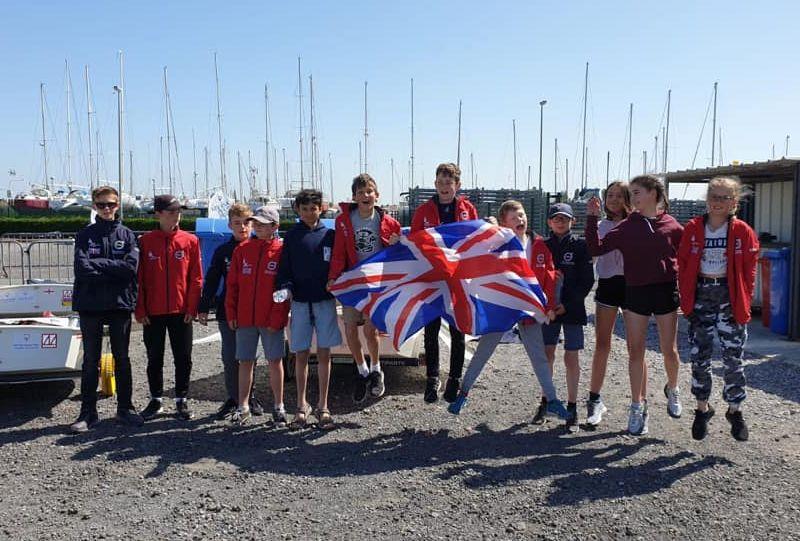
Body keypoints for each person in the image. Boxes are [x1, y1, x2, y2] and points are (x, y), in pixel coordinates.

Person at [448, 200, 569, 421]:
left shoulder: (539, 245)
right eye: (514, 218)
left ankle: (551, 401)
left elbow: (550, 277)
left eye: (521, 215)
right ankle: (463, 393)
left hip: (529, 309)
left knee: (539, 357)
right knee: (484, 350)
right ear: (505, 224)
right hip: (503, 307)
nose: (520, 220)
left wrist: (550, 305)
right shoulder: (497, 245)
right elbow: (474, 256)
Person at [585, 175, 684, 436]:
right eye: (613, 195)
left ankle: (663, 392)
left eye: (632, 193)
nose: (627, 198)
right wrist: (592, 217)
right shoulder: (625, 226)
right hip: (623, 289)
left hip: (652, 290)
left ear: (651, 193)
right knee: (620, 348)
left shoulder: (666, 224)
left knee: (660, 350)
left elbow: (686, 254)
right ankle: (620, 404)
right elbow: (595, 248)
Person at [677, 176, 759, 441]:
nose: (718, 202)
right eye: (714, 196)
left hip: (729, 297)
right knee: (699, 355)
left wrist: (744, 302)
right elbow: (683, 264)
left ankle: (735, 410)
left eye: (724, 197)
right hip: (702, 295)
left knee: (733, 357)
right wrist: (686, 299)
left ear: (734, 202)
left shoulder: (742, 231)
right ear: (707, 199)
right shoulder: (693, 228)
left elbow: (749, 269)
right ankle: (702, 408)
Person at [70, 186, 142, 433]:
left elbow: (130, 269)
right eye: (101, 205)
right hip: (90, 305)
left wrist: (99, 265)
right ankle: (88, 413)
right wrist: (113, 269)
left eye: (111, 204)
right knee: (91, 360)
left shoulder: (128, 235)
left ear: (118, 204)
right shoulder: (84, 235)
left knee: (122, 359)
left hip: (119, 304)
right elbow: (82, 269)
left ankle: (125, 408)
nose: (107, 208)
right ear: (94, 206)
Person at [328, 173, 401, 404]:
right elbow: (339, 252)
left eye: (369, 191)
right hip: (352, 282)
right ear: (354, 197)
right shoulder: (343, 221)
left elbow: (400, 254)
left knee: (371, 330)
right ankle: (362, 372)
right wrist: (333, 278)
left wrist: (396, 245)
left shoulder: (389, 223)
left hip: (376, 284)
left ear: (376, 195)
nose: (365, 195)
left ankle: (377, 369)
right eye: (361, 192)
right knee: (350, 329)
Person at [410, 162, 478, 404]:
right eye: (440, 182)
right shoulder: (423, 211)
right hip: (432, 278)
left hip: (458, 279)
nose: (444, 187)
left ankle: (455, 379)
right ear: (435, 184)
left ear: (457, 185)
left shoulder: (467, 209)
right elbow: (414, 242)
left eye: (449, 182)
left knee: (458, 329)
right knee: (431, 328)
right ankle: (432, 378)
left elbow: (475, 241)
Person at [276, 189, 342, 429]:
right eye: (304, 209)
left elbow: (339, 266)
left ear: (321, 208)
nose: (309, 213)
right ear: (298, 210)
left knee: (324, 353)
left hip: (325, 301)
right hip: (300, 303)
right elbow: (284, 269)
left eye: (313, 208)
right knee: (301, 354)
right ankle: (301, 406)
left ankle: (324, 405)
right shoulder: (292, 236)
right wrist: (286, 287)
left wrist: (337, 283)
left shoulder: (331, 235)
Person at [135, 194, 203, 421]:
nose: (176, 215)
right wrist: (140, 309)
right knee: (154, 357)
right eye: (171, 211)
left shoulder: (190, 241)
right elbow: (140, 279)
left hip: (180, 311)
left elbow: (196, 277)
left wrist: (192, 307)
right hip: (153, 312)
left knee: (183, 356)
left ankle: (181, 400)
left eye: (178, 211)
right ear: (158, 214)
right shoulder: (145, 241)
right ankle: (156, 400)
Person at [226, 207, 290, 426]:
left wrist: (277, 318)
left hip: (270, 319)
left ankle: (279, 406)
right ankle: (243, 406)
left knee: (274, 361)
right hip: (245, 318)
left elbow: (283, 290)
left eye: (264, 223)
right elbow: (232, 285)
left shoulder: (282, 251)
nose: (258, 226)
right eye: (256, 222)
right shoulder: (242, 250)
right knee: (245, 361)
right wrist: (231, 312)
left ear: (275, 226)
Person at [539, 203, 594, 432]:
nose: (560, 222)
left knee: (571, 358)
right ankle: (546, 401)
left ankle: (572, 407)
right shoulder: (542, 246)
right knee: (546, 355)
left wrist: (568, 305)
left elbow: (587, 281)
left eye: (565, 218)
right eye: (556, 218)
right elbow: (534, 277)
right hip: (548, 309)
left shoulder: (580, 245)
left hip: (572, 309)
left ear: (573, 221)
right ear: (549, 222)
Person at [198, 204, 257, 420]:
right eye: (237, 223)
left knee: (249, 356)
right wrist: (203, 306)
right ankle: (233, 398)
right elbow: (212, 279)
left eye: (247, 222)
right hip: (228, 311)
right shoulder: (223, 251)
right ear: (229, 225)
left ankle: (250, 397)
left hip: (253, 310)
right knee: (230, 356)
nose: (242, 227)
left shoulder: (261, 247)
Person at [586, 182, 631, 427]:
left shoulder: (636, 225)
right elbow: (590, 253)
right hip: (607, 286)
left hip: (633, 286)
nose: (613, 200)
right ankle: (594, 399)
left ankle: (639, 403)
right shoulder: (600, 225)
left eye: (618, 195)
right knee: (602, 344)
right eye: (609, 195)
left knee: (637, 348)